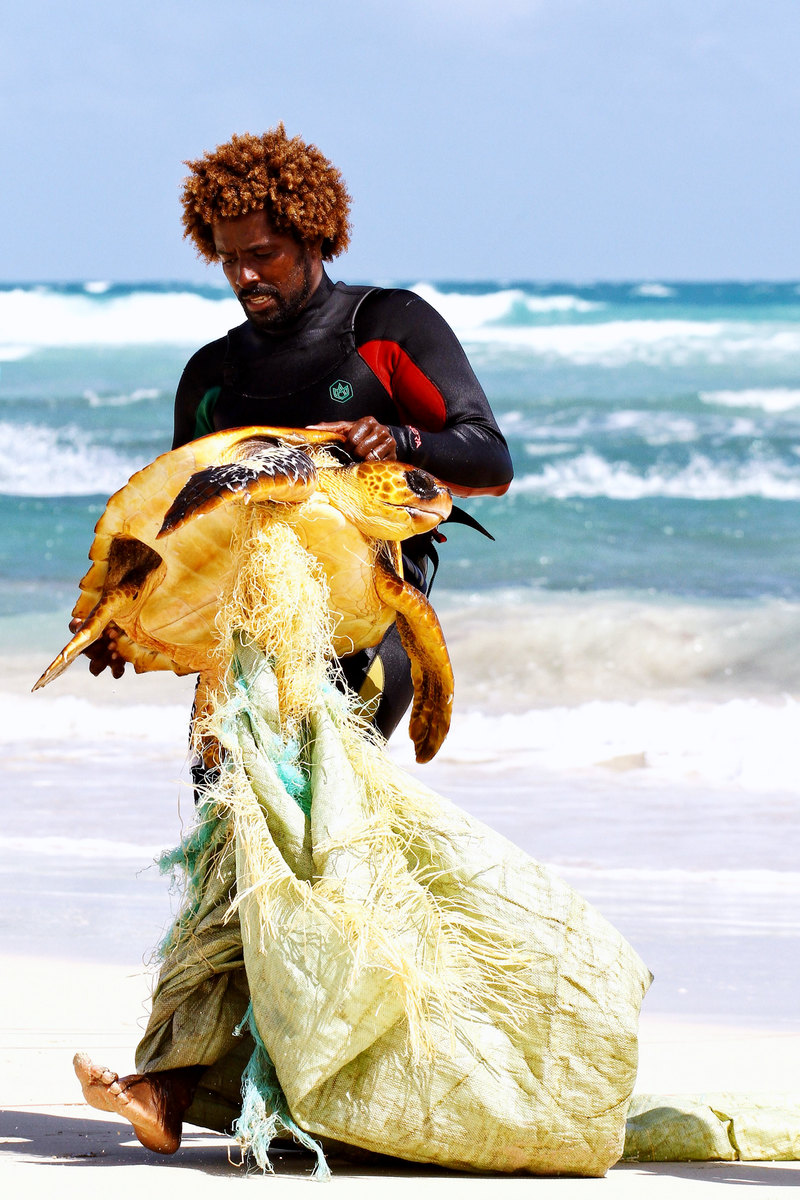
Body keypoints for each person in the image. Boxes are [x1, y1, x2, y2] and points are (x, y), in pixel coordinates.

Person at [73, 125, 513, 1154]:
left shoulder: (384, 327)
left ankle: (275, 1093)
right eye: (226, 254)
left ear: (311, 234)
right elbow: (180, 521)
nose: (243, 274)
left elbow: (486, 456)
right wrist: (121, 615)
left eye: (261, 252)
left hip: (365, 637)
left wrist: (396, 437)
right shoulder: (215, 373)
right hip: (239, 660)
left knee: (315, 865)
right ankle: (188, 1089)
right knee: (230, 858)